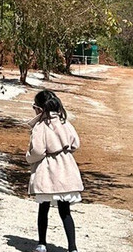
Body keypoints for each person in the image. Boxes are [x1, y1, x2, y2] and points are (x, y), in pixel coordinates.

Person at [26, 89, 82, 252]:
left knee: (43, 207)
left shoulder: (40, 126)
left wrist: (29, 158)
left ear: (39, 108)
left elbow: (38, 150)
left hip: (48, 170)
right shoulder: (65, 122)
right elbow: (75, 143)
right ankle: (72, 247)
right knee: (65, 211)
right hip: (66, 168)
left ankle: (42, 244)